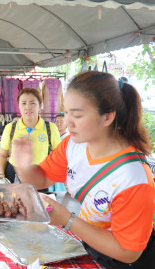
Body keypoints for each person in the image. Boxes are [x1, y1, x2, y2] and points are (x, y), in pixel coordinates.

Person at [13, 71, 155, 268]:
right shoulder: (73, 144)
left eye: (77, 115)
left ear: (107, 117)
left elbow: (128, 252)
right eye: (67, 112)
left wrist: (67, 220)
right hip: (91, 248)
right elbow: (42, 178)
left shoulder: (134, 177)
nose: (67, 122)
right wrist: (24, 166)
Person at [0, 88, 61, 184]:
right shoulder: (10, 128)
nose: (28, 107)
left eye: (32, 103)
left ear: (40, 106)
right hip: (13, 175)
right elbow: (2, 154)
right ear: (18, 106)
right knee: (14, 199)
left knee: (40, 199)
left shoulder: (50, 128)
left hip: (40, 177)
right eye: (23, 103)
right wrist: (1, 175)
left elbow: (59, 157)